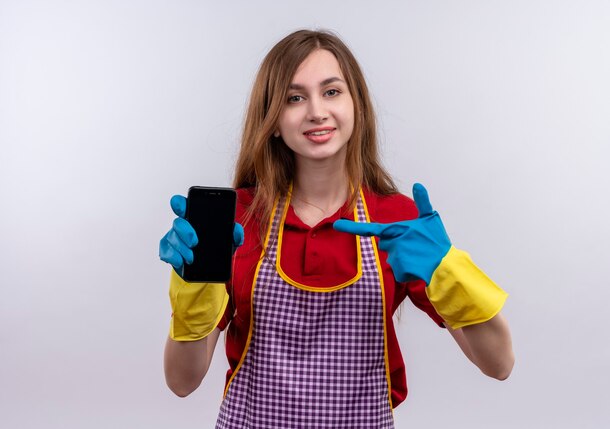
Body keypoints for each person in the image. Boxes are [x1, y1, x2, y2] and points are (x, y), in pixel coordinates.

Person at [159, 29, 514, 429]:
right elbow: (182, 381)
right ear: (273, 120)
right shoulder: (239, 219)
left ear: (356, 105)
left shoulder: (394, 219)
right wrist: (194, 289)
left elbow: (498, 364)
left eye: (331, 92)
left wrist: (448, 271)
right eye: (295, 98)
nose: (316, 111)